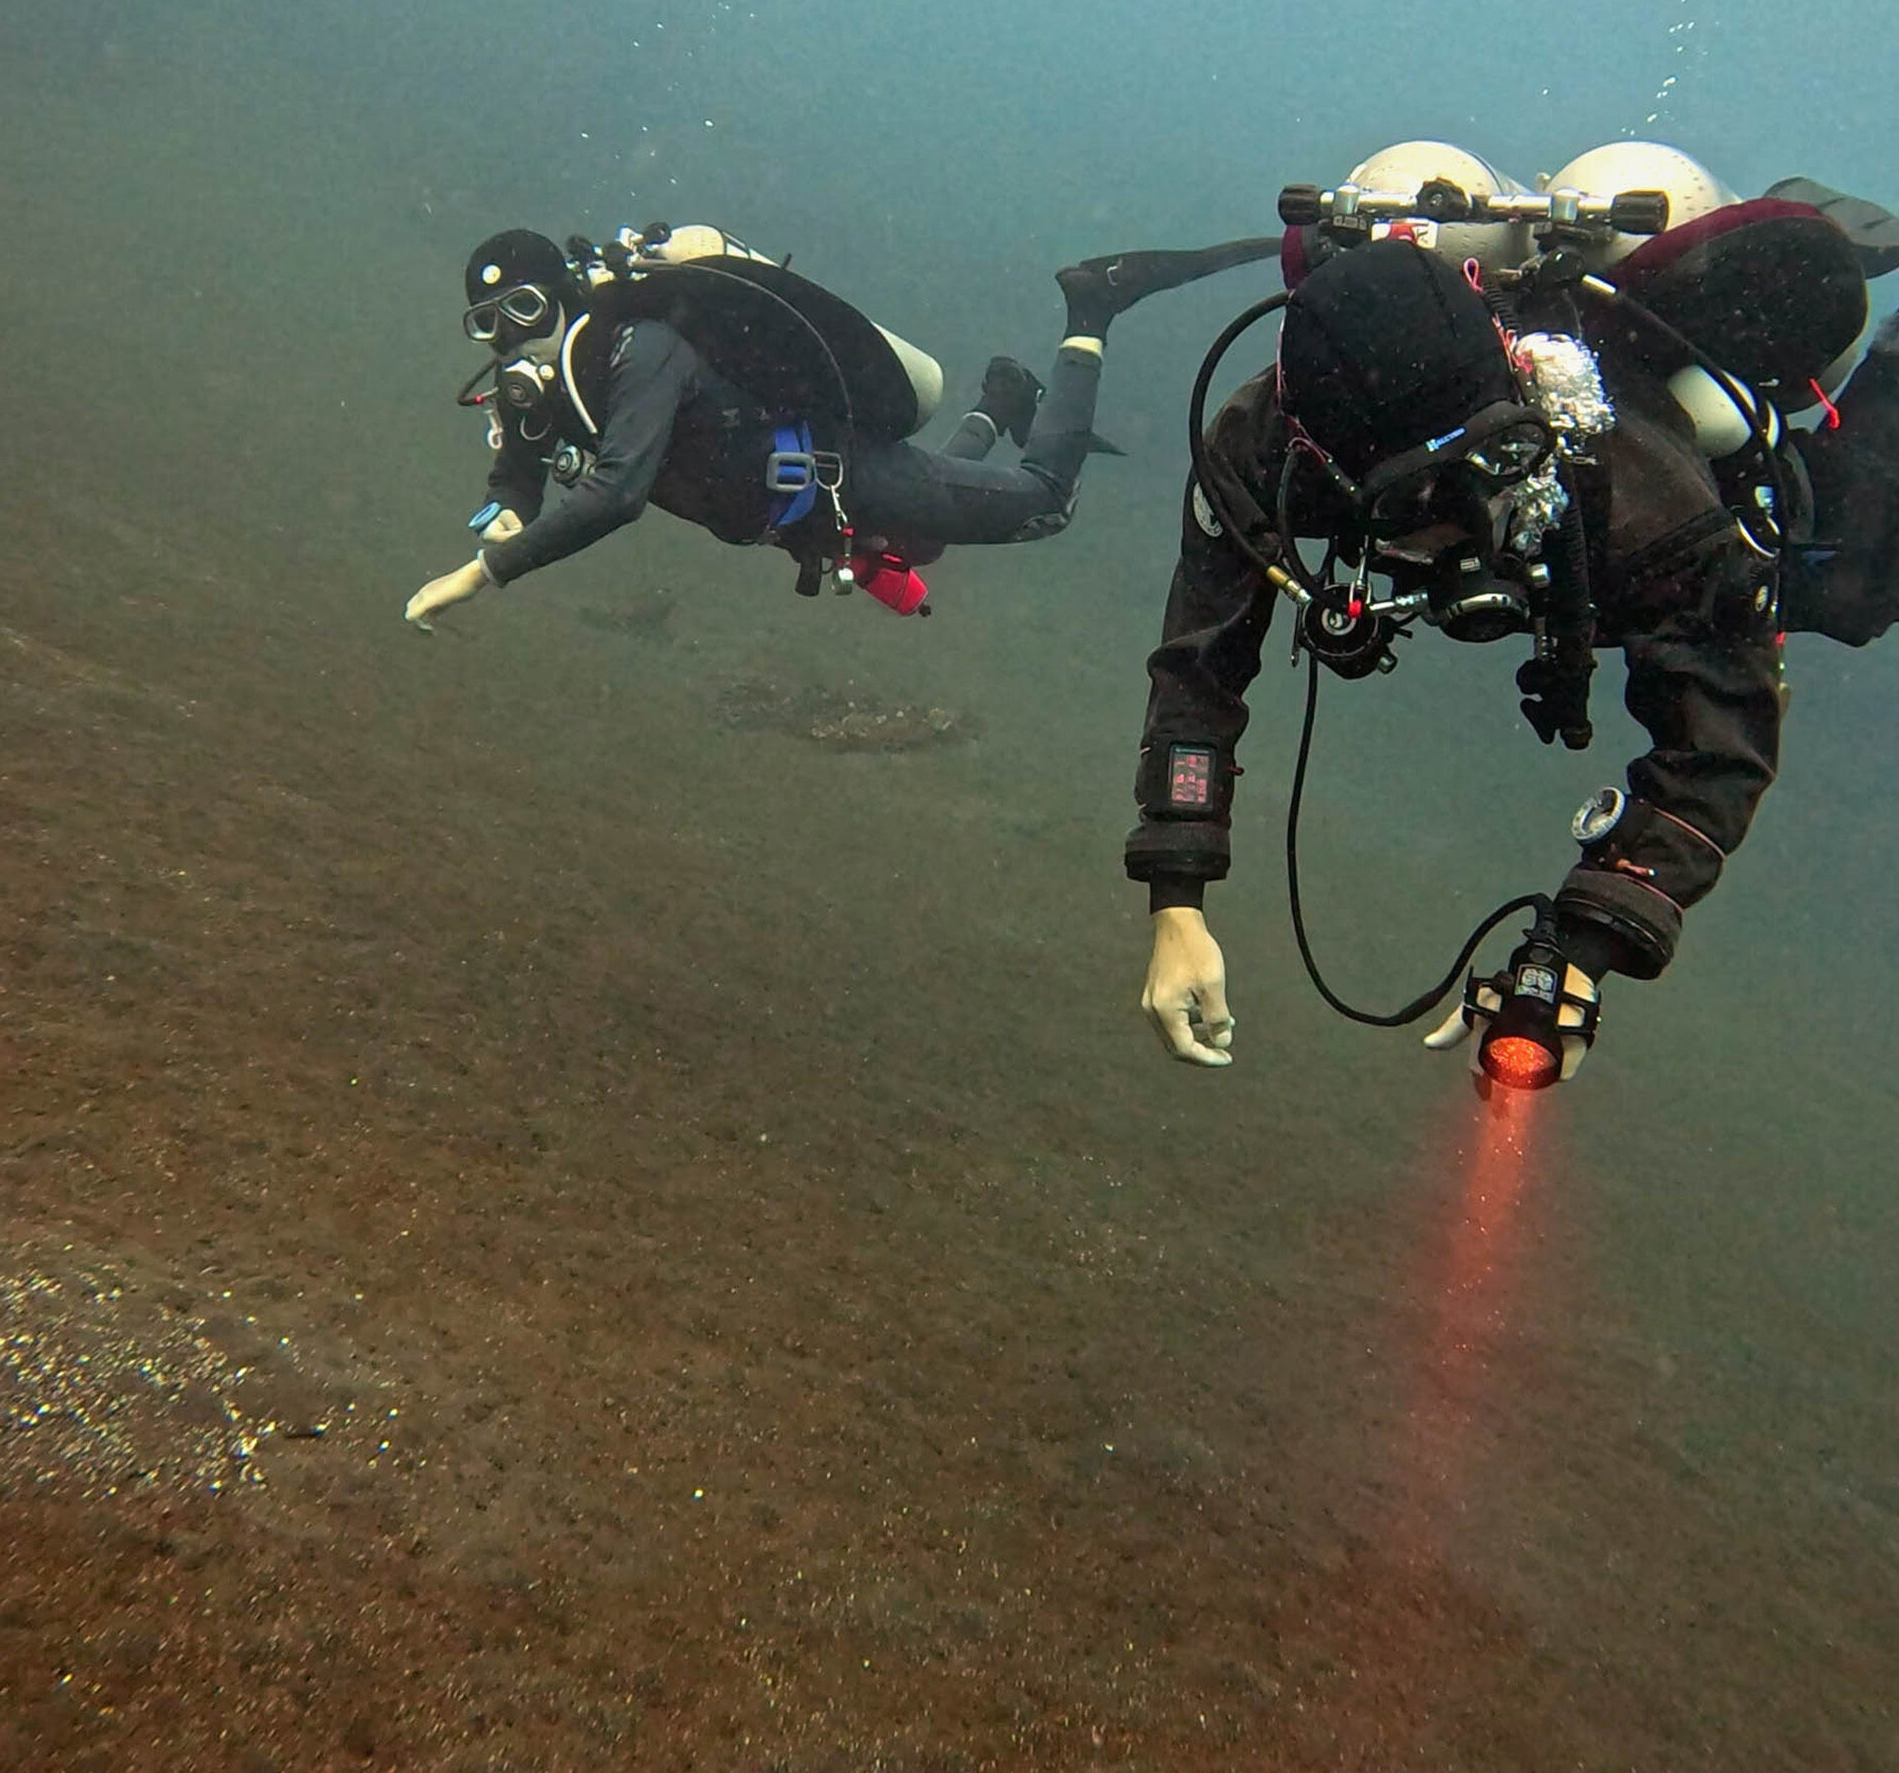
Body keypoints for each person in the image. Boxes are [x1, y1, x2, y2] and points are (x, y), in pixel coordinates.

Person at [1127, 152, 1896, 1085]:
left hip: (1656, 502)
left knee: (1850, 592)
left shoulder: (1647, 492)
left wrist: (1579, 949)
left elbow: (1718, 743)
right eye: (1421, 504)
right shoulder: (1258, 451)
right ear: (1323, 463)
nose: (1467, 524)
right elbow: (1198, 670)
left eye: (1491, 469)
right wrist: (1178, 900)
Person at [404, 221, 1277, 631]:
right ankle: (1001, 402)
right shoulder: (544, 391)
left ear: (562, 294)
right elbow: (515, 472)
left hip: (838, 472)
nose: (510, 337)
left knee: (1042, 502)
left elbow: (617, 494)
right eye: (488, 323)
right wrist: (505, 509)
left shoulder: (639, 344)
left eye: (523, 308)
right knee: (928, 529)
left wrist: (488, 570)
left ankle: (1093, 310)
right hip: (798, 510)